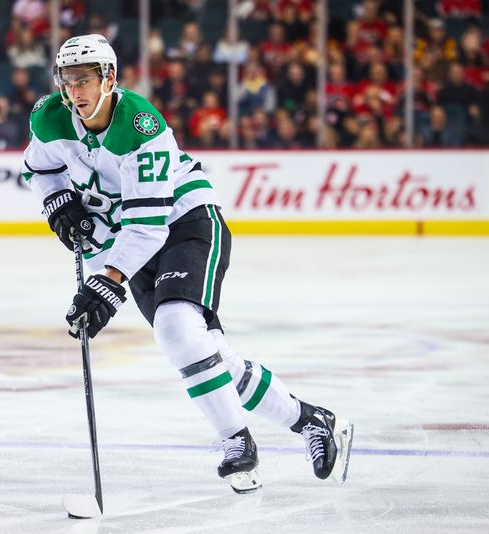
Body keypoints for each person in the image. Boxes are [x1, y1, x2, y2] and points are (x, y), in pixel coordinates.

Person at [22, 34, 353, 493]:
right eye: (67, 79)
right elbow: (38, 169)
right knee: (201, 350)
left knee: (176, 327)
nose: (74, 91)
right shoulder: (49, 116)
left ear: (109, 78)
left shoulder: (140, 127)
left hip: (184, 221)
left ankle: (237, 443)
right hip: (127, 236)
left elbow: (149, 228)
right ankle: (311, 420)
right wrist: (56, 201)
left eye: (84, 80)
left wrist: (106, 282)